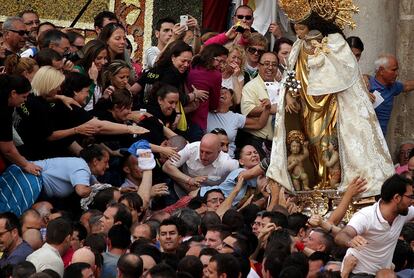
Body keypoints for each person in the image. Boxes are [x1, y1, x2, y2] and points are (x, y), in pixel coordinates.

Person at [268, 1, 395, 196]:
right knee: (310, 143)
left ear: (314, 25)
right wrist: (288, 98)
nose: (299, 33)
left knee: (327, 144)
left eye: (302, 28)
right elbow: (290, 75)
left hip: (330, 105)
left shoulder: (334, 42)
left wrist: (319, 57)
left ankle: (330, 182)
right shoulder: (298, 46)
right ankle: (317, 182)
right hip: (306, 106)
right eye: (296, 29)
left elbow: (343, 74)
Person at [335, 174, 414, 276]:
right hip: (358, 273)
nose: (412, 201)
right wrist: (350, 241)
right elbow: (341, 236)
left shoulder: (403, 212)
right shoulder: (366, 216)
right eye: (410, 197)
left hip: (382, 274)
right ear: (397, 198)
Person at [0, 144, 109, 216]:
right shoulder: (82, 167)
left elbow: (100, 185)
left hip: (24, 176)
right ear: (95, 161)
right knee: (7, 216)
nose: (108, 166)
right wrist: (95, 188)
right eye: (106, 162)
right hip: (28, 179)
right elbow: (81, 191)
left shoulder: (83, 168)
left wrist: (117, 189)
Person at [162, 133, 239, 195]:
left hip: (211, 197)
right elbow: (166, 166)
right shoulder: (191, 149)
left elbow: (243, 175)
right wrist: (189, 180)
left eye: (208, 153)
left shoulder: (228, 163)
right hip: (183, 187)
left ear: (218, 152)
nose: (203, 156)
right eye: (201, 151)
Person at [241, 51, 280, 159]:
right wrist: (272, 109)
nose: (270, 67)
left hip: (279, 142)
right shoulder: (250, 86)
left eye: (274, 64)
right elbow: (248, 111)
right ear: (259, 66)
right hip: (258, 141)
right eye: (266, 64)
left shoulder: (281, 86)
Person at [187, 44, 229, 142]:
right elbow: (214, 104)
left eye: (224, 62)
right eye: (220, 61)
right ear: (211, 56)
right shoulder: (215, 75)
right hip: (198, 119)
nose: (221, 65)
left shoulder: (191, 66)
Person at [0, 74, 41, 175]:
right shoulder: (2, 112)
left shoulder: (7, 102)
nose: (25, 100)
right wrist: (26, 165)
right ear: (13, 93)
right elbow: (7, 149)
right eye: (24, 96)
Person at [368, 54, 414, 136]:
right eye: (394, 70)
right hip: (365, 138)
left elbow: (407, 86)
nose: (397, 74)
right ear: (381, 70)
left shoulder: (393, 86)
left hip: (381, 137)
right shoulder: (367, 85)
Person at [74, 39, 108, 111]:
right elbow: (81, 103)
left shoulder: (98, 72)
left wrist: (104, 97)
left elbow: (94, 104)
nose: (103, 62)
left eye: (105, 58)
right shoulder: (78, 71)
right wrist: (92, 82)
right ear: (89, 57)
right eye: (99, 58)